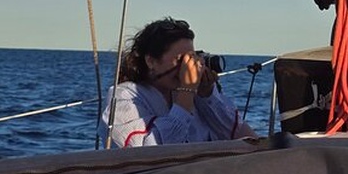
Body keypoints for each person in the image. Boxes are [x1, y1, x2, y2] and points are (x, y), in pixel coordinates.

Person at [101, 17, 257, 147]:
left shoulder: (196, 96)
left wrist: (207, 96)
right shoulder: (124, 96)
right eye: (180, 60)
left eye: (191, 58)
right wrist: (186, 92)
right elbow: (150, 150)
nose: (187, 67)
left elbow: (243, 136)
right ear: (151, 61)